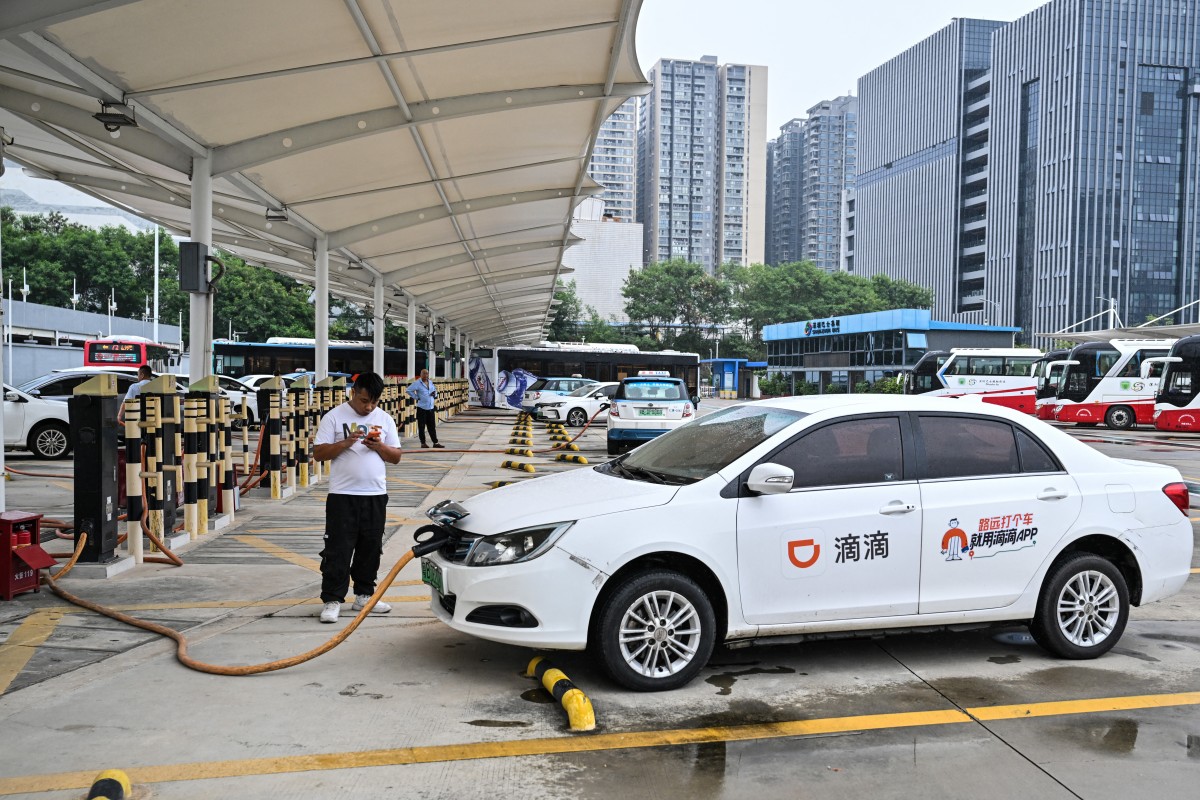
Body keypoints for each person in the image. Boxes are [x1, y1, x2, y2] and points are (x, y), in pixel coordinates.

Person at [312, 372, 402, 623]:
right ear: (354, 392)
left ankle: (364, 594)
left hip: (375, 494)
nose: (369, 407)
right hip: (342, 495)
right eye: (364, 400)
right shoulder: (334, 417)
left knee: (370, 548)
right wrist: (345, 443)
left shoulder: (384, 418)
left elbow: (396, 456)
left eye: (373, 401)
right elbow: (318, 454)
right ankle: (332, 599)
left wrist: (379, 447)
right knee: (338, 548)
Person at [406, 368, 443, 448]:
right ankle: (423, 443)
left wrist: (434, 394)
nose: (426, 375)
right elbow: (408, 390)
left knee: (432, 426)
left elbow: (435, 390)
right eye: (424, 373)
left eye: (427, 373)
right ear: (421, 375)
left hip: (430, 408)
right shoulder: (417, 383)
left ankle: (435, 443)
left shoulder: (430, 382)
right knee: (421, 426)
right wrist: (416, 397)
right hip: (422, 408)